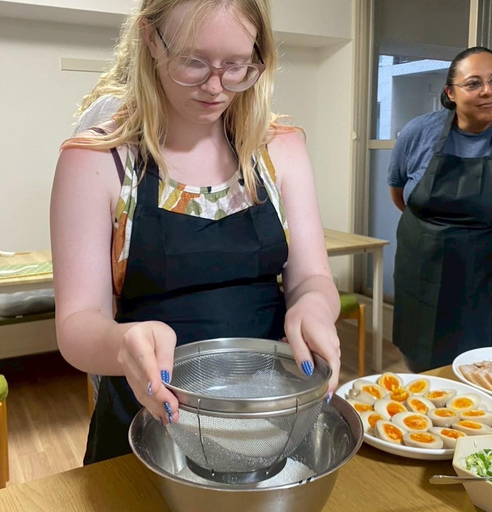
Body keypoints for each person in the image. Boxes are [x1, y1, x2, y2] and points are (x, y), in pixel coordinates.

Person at [50, 0, 341, 464]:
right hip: (147, 419)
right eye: (194, 61)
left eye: (237, 65)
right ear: (150, 38)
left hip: (269, 415)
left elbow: (312, 277)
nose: (216, 86)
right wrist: (123, 343)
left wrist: (314, 306)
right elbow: (77, 323)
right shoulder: (96, 160)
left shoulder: (280, 148)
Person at [388, 46, 492, 373]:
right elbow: (400, 195)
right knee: (423, 369)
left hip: (490, 277)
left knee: (488, 369)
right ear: (450, 92)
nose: (488, 91)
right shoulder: (417, 133)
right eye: (474, 83)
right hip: (422, 273)